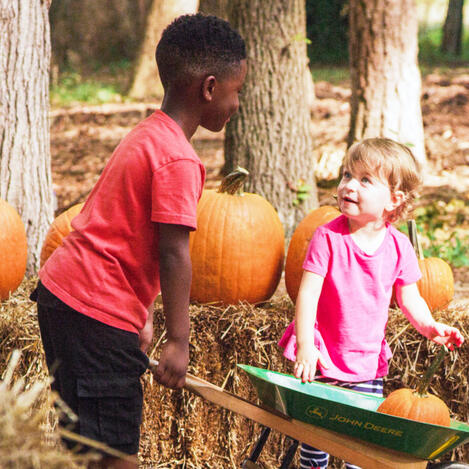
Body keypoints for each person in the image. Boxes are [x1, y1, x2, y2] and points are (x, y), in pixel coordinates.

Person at [31, 14, 247, 469]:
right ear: (209, 88)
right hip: (95, 313)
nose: (238, 102)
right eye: (236, 90)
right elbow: (173, 253)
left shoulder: (147, 136)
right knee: (115, 453)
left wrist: (141, 315)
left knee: (85, 445)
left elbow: (118, 229)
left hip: (64, 297)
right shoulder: (179, 160)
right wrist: (179, 340)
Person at [278, 138, 464, 469]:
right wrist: (306, 345)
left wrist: (430, 328)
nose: (349, 185)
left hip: (366, 364)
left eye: (365, 180)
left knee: (361, 449)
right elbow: (307, 295)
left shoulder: (399, 247)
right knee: (315, 445)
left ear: (394, 199)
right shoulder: (327, 238)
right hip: (321, 359)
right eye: (347, 175)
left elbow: (410, 298)